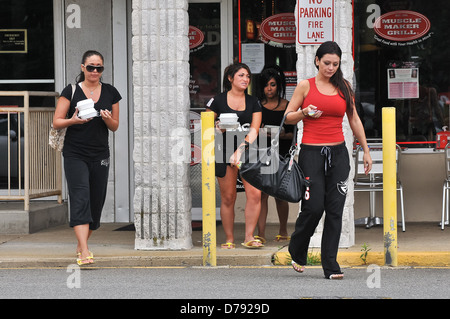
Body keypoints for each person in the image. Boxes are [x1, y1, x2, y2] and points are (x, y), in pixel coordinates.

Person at [284, 41, 372, 279]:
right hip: (311, 154)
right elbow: (287, 118)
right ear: (317, 61)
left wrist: (365, 149)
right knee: (313, 208)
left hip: (339, 154)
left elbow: (354, 119)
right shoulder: (305, 86)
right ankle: (297, 247)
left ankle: (330, 265)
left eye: (335, 64)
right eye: (326, 63)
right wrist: (304, 113)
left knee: (335, 210)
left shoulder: (344, 86)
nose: (331, 67)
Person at [53, 50, 121, 265]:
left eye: (98, 67)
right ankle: (84, 251)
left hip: (100, 153)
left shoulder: (111, 92)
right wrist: (73, 120)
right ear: (82, 67)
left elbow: (115, 127)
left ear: (102, 69)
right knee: (80, 197)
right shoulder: (71, 91)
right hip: (75, 153)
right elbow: (56, 122)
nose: (94, 71)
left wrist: (107, 118)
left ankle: (81, 244)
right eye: (90, 67)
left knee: (95, 202)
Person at [206, 62, 263, 249]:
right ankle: (229, 239)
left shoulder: (254, 101)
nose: (245, 79)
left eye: (247, 76)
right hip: (223, 150)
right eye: (241, 75)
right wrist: (216, 128)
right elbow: (206, 128)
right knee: (228, 197)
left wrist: (240, 150)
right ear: (230, 78)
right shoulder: (217, 101)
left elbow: (254, 130)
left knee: (255, 194)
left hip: (248, 150)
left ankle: (249, 236)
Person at [256, 66, 294, 243]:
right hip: (263, 152)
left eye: (272, 85)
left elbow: (294, 134)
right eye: (265, 85)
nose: (269, 89)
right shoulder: (257, 106)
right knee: (262, 195)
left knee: (280, 194)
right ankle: (261, 233)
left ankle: (283, 230)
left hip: (283, 153)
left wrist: (283, 134)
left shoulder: (288, 106)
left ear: (278, 86)